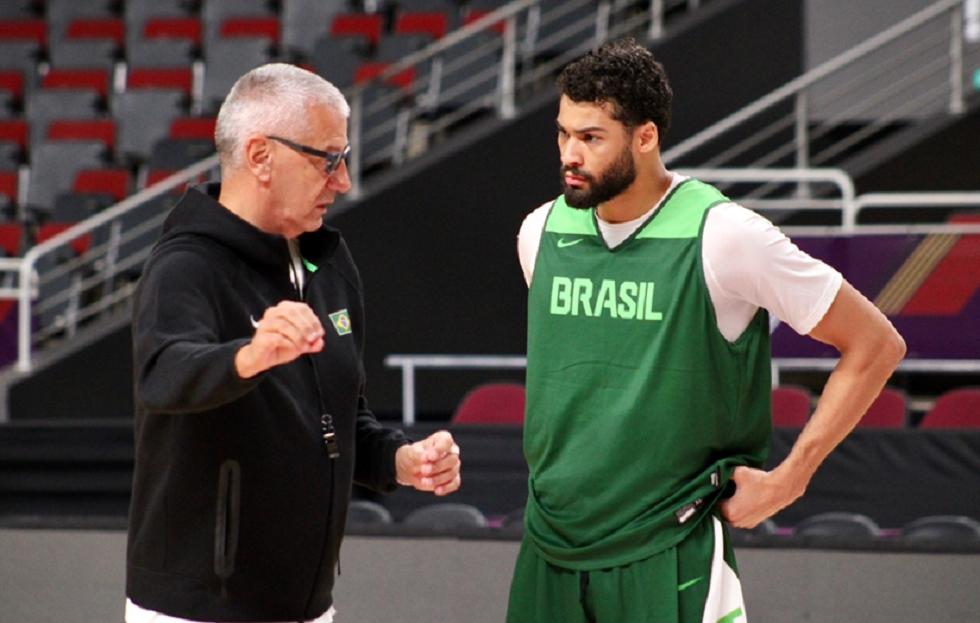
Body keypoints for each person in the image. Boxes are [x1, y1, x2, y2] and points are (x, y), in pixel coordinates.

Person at [507, 38, 905, 623]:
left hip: (669, 544)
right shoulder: (540, 232)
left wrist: (790, 479)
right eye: (564, 133)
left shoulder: (725, 236)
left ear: (645, 137)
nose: (570, 153)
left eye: (591, 138)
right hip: (549, 543)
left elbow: (875, 344)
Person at [126, 63, 461, 623]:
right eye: (328, 159)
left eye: (344, 157)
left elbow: (339, 418)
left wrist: (400, 461)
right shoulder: (185, 264)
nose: (344, 180)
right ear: (260, 156)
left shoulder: (330, 262)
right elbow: (161, 375)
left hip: (308, 607)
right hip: (198, 609)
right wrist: (249, 356)